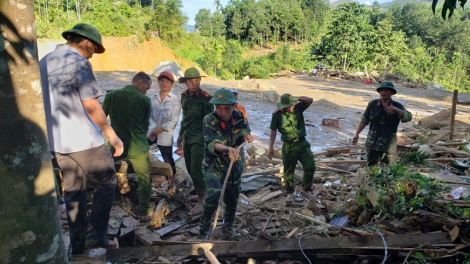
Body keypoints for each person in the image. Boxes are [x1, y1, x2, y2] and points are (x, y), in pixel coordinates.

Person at [40, 23, 123, 256]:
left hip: (58, 143)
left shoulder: (44, 61)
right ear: (87, 42)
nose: (92, 56)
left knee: (74, 191)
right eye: (93, 51)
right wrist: (112, 136)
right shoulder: (78, 62)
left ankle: (77, 246)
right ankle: (96, 237)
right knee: (107, 183)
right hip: (84, 141)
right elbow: (90, 104)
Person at [198, 88, 254, 239]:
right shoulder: (209, 120)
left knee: (233, 196)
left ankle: (228, 227)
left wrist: (247, 136)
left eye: (226, 108)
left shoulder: (239, 115)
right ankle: (204, 231)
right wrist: (228, 148)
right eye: (219, 108)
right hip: (214, 164)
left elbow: (244, 130)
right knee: (214, 195)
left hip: (234, 163)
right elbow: (212, 143)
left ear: (234, 106)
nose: (222, 111)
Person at [101, 72, 152, 222]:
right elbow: (145, 125)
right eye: (147, 88)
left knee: (105, 173)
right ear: (140, 83)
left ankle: (106, 203)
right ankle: (144, 209)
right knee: (144, 179)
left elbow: (102, 118)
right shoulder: (145, 100)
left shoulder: (111, 96)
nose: (146, 91)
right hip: (138, 146)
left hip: (116, 144)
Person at [177, 67, 214, 215]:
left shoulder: (206, 98)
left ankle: (202, 200)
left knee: (197, 169)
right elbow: (185, 118)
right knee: (190, 168)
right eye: (191, 81)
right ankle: (201, 193)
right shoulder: (184, 96)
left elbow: (211, 121)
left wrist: (209, 142)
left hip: (200, 139)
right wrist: (180, 135)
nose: (194, 84)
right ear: (186, 82)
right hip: (187, 137)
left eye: (197, 80)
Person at [268, 94, 316, 200]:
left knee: (310, 166)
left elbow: (310, 99)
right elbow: (273, 131)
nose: (288, 108)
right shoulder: (277, 115)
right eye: (286, 107)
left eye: (290, 106)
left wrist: (296, 98)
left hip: (302, 144)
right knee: (289, 171)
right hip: (288, 146)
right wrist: (271, 146)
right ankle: (289, 191)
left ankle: (305, 188)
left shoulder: (299, 108)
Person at [352, 81, 412, 166]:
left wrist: (395, 109)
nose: (383, 92)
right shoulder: (373, 104)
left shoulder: (397, 106)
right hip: (372, 143)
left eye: (386, 90)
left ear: (391, 93)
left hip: (388, 145)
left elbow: (408, 117)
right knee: (371, 167)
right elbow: (364, 120)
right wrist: (357, 134)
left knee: (387, 169)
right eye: (381, 90)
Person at [148, 71, 181, 189]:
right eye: (162, 81)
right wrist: (153, 128)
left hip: (165, 133)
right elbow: (149, 116)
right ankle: (147, 177)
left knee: (167, 158)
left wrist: (160, 129)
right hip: (151, 132)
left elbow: (174, 120)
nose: (164, 83)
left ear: (172, 84)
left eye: (167, 81)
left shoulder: (175, 100)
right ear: (158, 82)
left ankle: (171, 181)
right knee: (142, 151)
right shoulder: (153, 98)